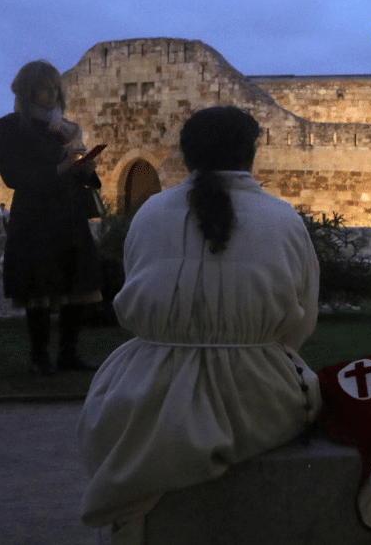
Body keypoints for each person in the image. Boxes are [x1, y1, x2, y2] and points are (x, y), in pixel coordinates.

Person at [77, 106, 321, 541]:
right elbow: (300, 321)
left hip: (144, 385)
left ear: (185, 156)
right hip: (257, 391)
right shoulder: (283, 219)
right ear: (251, 154)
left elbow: (133, 287)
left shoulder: (150, 213)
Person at [0, 60, 103, 376]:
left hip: (69, 216)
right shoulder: (11, 127)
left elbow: (76, 172)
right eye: (46, 86)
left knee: (76, 285)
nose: (54, 92)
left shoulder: (64, 129)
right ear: (29, 90)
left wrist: (86, 170)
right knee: (38, 289)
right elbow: (14, 176)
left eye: (56, 85)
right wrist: (61, 167)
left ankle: (69, 354)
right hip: (36, 218)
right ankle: (40, 357)